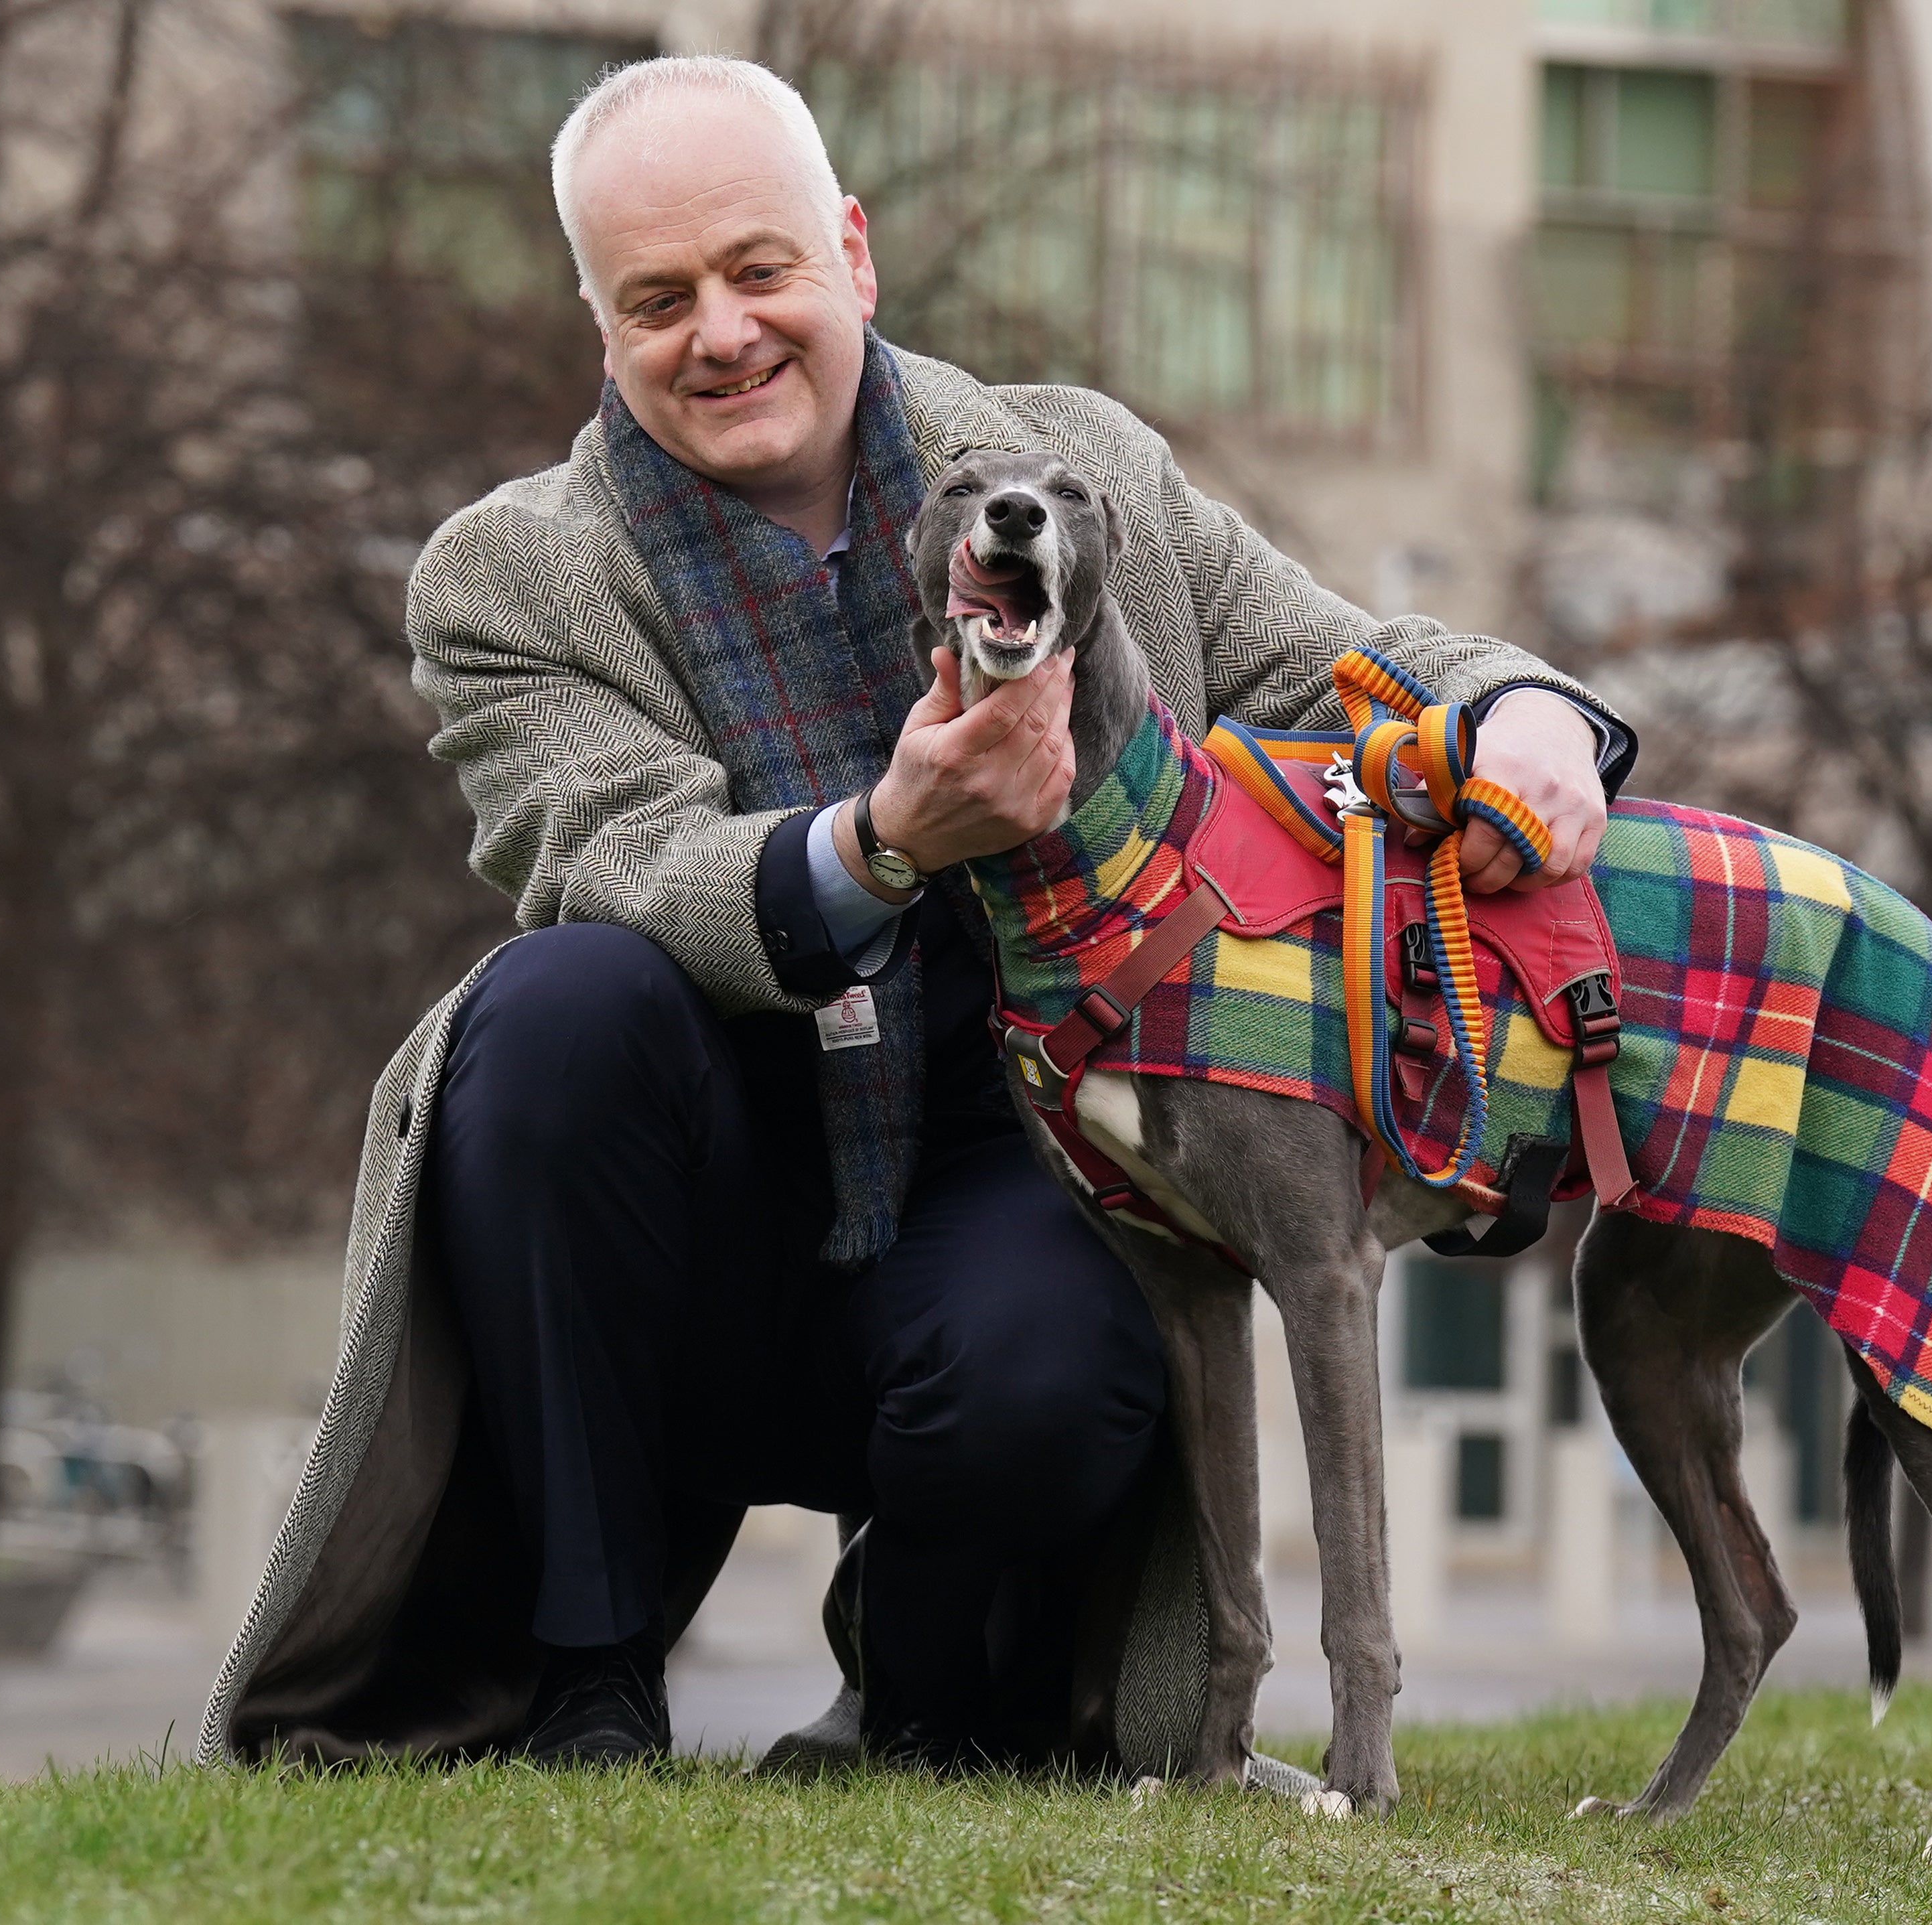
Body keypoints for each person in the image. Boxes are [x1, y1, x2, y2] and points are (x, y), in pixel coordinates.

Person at [198, 54, 1633, 1772]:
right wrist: (879, 844)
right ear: (602, 330)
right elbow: (615, 859)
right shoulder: (509, 575)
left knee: (1077, 1343)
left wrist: (1526, 715)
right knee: (554, 1003)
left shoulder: (1078, 469)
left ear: (853, 256)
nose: (720, 332)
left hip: (1000, 1183)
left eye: (759, 269)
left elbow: (1333, 652)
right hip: (688, 1227)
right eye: (657, 300)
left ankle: (929, 1691)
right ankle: (585, 1675)